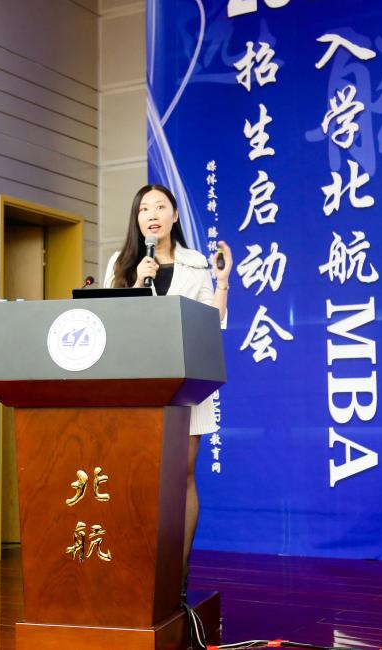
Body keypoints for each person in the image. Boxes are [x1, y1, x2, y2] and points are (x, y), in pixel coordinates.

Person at [103, 183, 232, 600]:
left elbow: (211, 324)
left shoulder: (195, 265)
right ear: (137, 218)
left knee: (182, 475)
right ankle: (139, 570)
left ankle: (179, 574)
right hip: (137, 383)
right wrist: (137, 283)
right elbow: (109, 322)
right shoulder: (122, 264)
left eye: (161, 207)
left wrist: (222, 282)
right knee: (138, 475)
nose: (152, 214)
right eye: (145, 208)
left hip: (185, 380)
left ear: (175, 216)